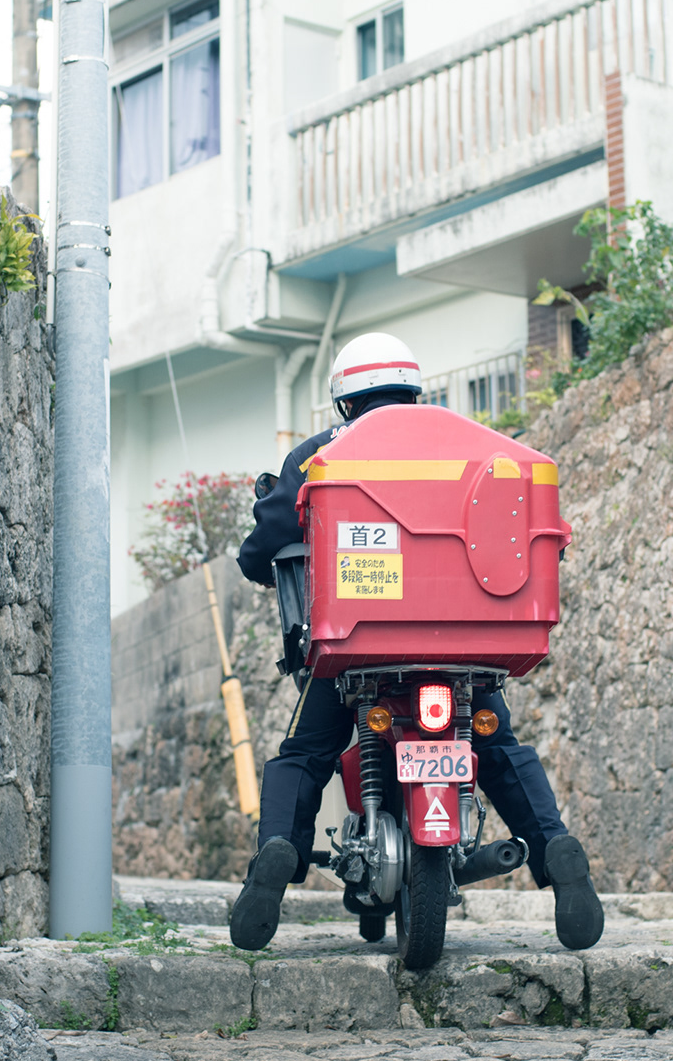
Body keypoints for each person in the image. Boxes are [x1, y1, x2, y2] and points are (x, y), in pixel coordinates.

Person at [228, 331, 605, 954]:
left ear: (345, 400)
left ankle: (277, 854)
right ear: (414, 390)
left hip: (356, 649)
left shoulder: (319, 454)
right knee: (498, 749)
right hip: (468, 654)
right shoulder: (475, 448)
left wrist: (259, 559)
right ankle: (555, 850)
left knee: (305, 753)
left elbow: (263, 545)